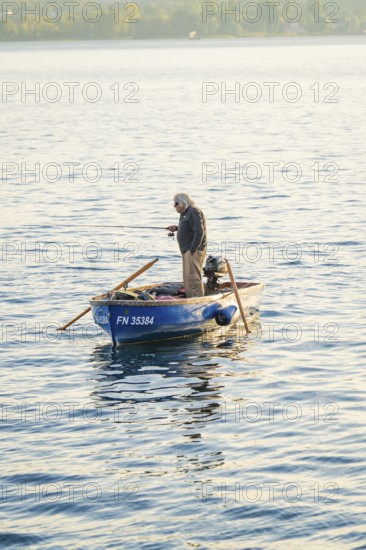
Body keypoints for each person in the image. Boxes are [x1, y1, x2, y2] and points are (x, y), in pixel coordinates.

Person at [167, 193, 207, 298]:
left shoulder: (193, 211)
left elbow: (199, 231)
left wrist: (192, 249)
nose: (174, 206)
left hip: (193, 251)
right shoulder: (185, 213)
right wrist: (176, 228)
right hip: (186, 251)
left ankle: (198, 300)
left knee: (193, 278)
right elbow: (188, 228)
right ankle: (190, 299)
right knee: (187, 279)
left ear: (184, 202)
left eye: (176, 203)